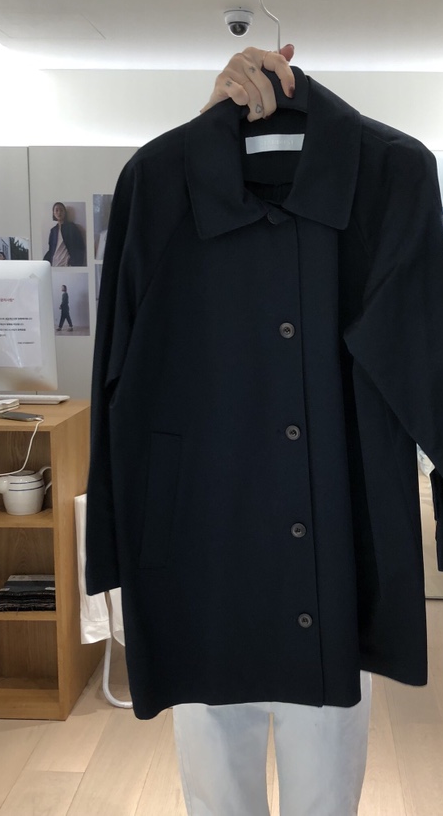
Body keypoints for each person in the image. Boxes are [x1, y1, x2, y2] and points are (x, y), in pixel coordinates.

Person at [171, 43, 374, 816]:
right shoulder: (166, 192)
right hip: (208, 546)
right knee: (217, 790)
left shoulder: (382, 184)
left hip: (326, 548)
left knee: (324, 789)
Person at [44, 202, 85, 267]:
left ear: (65, 212)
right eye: (56, 210)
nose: (59, 212)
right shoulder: (53, 230)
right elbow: (51, 249)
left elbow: (80, 245)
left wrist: (76, 262)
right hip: (55, 262)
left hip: (67, 263)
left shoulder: (72, 227)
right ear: (53, 213)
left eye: (61, 210)